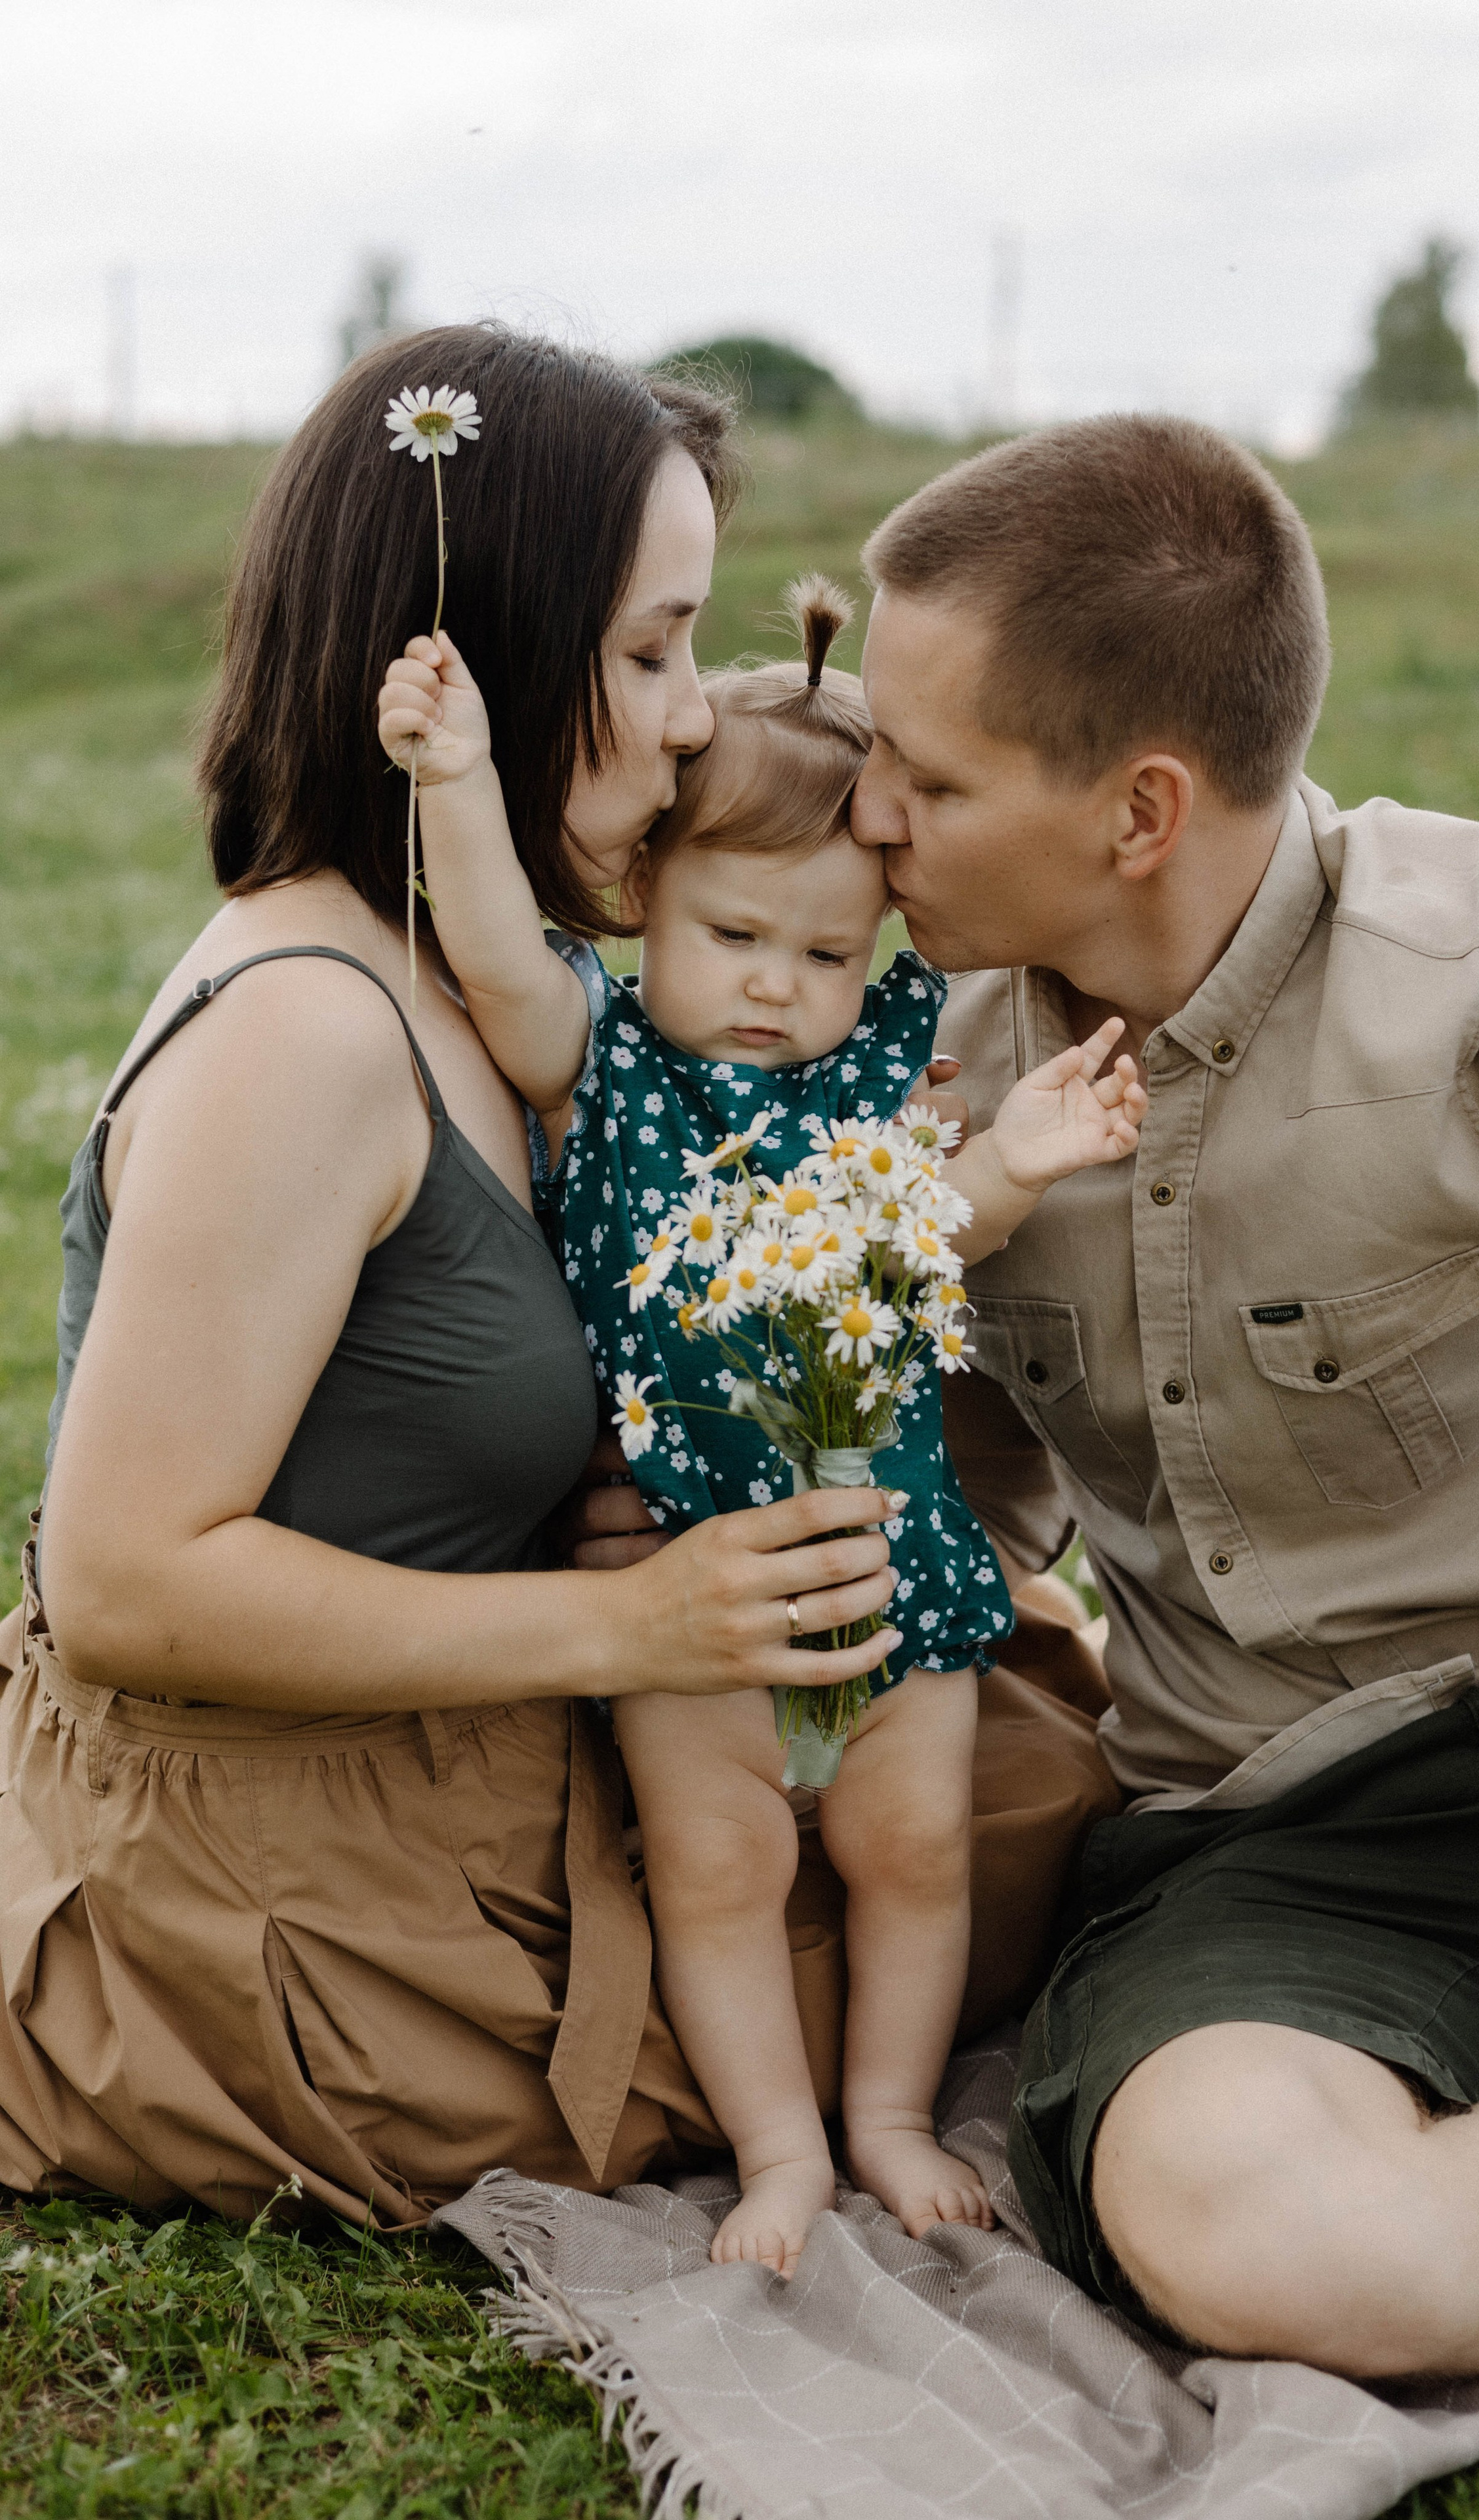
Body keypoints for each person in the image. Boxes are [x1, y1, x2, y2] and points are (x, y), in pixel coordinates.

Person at [849, 411, 1479, 2379]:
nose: (864, 813)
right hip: (1278, 1836)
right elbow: (953, 1497)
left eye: (926, 776)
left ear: (1140, 810)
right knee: (1252, 2228)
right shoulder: (926, 1081)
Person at [373, 575, 1146, 2271]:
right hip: (683, 1571)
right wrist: (451, 783)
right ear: (648, 892)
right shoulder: (610, 1058)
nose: (778, 990)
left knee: (912, 1842)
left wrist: (1012, 1158)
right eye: (735, 938)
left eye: (823, 951)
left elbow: (922, 1231)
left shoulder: (877, 1066)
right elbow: (499, 960)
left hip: (891, 1548)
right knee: (713, 1864)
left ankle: (882, 2110)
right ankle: (782, 2148)